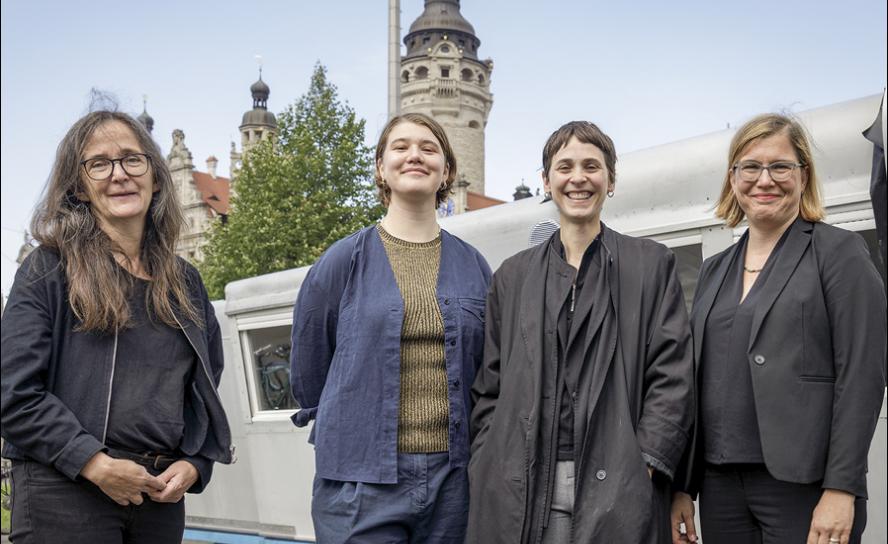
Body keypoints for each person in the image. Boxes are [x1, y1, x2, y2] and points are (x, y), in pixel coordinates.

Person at [0, 111, 233, 543]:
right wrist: (93, 463)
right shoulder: (49, 268)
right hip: (64, 491)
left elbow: (204, 386)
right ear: (79, 188)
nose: (119, 174)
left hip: (156, 495)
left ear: (156, 177)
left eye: (131, 159)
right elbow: (12, 391)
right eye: (99, 164)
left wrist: (196, 461)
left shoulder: (185, 282)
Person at [468, 121, 694, 543]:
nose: (578, 178)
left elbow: (673, 376)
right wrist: (489, 458)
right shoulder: (512, 276)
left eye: (592, 166)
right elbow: (490, 388)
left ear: (610, 180)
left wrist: (643, 462)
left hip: (621, 482)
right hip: (528, 481)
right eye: (564, 166)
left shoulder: (650, 264)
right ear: (546, 180)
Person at [671, 113, 887, 544]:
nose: (764, 179)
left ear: (803, 175)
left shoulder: (838, 253)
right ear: (733, 179)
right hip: (720, 485)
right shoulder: (715, 270)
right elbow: (697, 380)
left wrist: (842, 488)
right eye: (750, 167)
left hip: (804, 487)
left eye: (780, 166)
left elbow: (862, 375)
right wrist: (683, 485)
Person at [289, 112, 491, 543]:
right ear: (381, 167)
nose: (414, 155)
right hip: (362, 481)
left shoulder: (474, 266)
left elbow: (490, 371)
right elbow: (309, 369)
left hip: (455, 482)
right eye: (400, 147)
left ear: (446, 172)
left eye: (429, 148)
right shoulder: (342, 260)